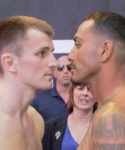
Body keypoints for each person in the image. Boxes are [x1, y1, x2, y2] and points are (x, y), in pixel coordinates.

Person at [68, 11, 125, 149]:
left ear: (105, 51)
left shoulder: (115, 117)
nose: (71, 55)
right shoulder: (120, 106)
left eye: (78, 44)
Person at [0, 16, 57, 150]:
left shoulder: (36, 120)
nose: (54, 63)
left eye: (51, 52)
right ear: (10, 62)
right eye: (41, 53)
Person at [42, 83, 97, 150]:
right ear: (72, 93)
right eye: (80, 89)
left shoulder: (106, 128)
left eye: (90, 89)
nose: (85, 93)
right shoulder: (50, 127)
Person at [31, 55, 72, 121]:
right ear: (54, 73)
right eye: (60, 68)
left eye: (69, 67)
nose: (65, 71)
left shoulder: (81, 98)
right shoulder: (39, 98)